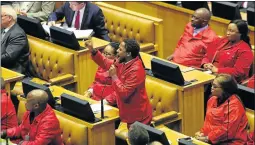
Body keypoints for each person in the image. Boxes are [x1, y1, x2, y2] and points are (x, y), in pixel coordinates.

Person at [86, 38, 152, 129]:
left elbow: (124, 93)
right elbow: (106, 63)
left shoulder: (136, 70)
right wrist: (93, 51)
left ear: (128, 54)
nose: (117, 51)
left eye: (120, 49)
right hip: (127, 112)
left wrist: (114, 76)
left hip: (138, 116)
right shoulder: (122, 61)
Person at [195, 74, 248, 144]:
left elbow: (227, 132)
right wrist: (202, 133)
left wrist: (207, 138)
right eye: (212, 85)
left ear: (225, 89)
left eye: (215, 86)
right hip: (211, 139)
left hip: (231, 142)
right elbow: (208, 122)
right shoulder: (212, 100)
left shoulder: (234, 106)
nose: (211, 88)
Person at [1, 5, 30, 74]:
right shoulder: (2, 28)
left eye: (0, 16)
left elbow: (8, 58)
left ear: (9, 18)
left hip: (12, 70)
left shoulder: (18, 35)